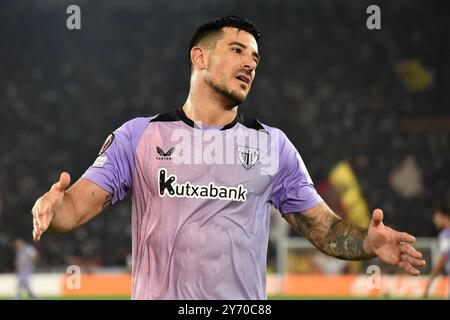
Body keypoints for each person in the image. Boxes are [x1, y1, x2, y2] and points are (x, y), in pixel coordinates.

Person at [31, 15, 426, 299]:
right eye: (237, 50)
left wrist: (368, 242)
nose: (250, 64)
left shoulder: (274, 146)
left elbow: (325, 230)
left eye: (255, 58)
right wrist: (54, 205)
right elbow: (73, 212)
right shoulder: (139, 136)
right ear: (199, 58)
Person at [423, 205, 450, 299]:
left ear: (445, 217)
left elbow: (443, 258)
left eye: (437, 216)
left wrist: (429, 282)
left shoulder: (446, 235)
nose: (435, 220)